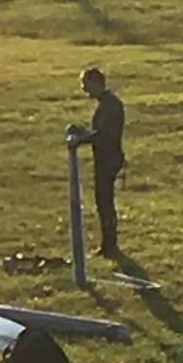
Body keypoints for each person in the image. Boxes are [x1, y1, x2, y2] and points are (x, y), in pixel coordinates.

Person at [74, 67, 125, 257]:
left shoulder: (111, 106)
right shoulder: (108, 104)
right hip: (106, 159)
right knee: (103, 201)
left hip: (108, 160)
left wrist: (83, 139)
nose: (85, 90)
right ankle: (109, 243)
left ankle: (109, 245)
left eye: (87, 85)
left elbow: (103, 135)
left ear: (96, 83)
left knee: (105, 201)